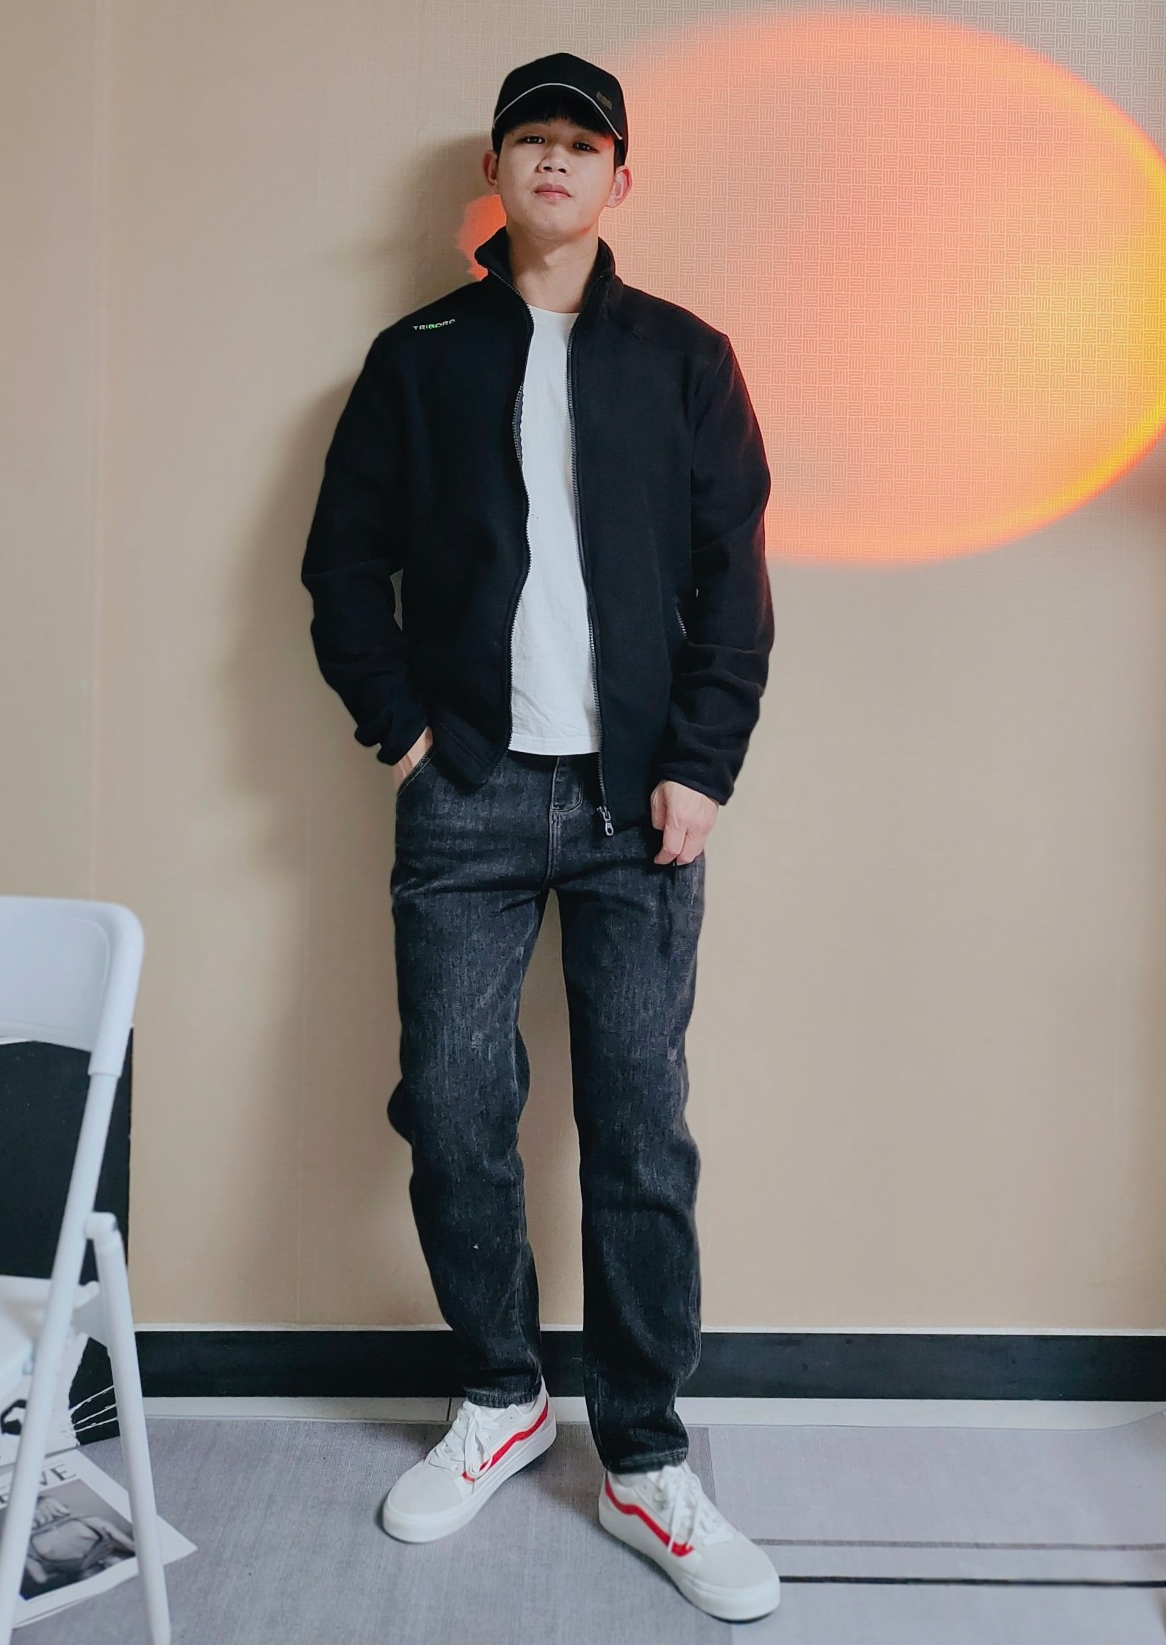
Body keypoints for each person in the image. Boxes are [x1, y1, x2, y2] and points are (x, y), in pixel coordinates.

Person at [300, 50, 779, 1623]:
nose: (556, 162)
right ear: (495, 175)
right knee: (451, 1104)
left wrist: (700, 764)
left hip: (641, 805)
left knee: (638, 1130)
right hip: (470, 794)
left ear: (619, 177)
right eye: (531, 140)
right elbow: (341, 564)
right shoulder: (418, 354)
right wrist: (402, 728)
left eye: (583, 143)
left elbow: (732, 580)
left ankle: (642, 1451)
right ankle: (501, 1392)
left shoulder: (684, 357)